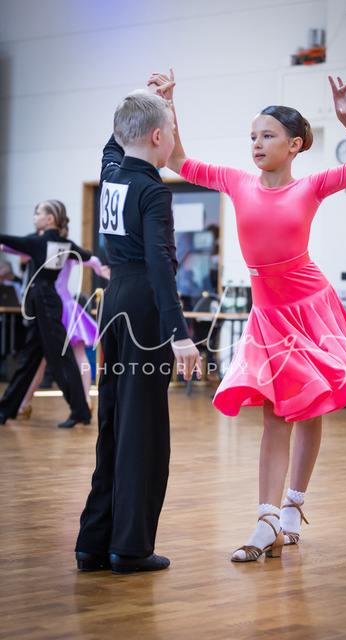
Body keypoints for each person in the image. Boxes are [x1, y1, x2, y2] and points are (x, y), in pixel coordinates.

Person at [148, 70, 346, 562]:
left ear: (295, 145)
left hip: (311, 307)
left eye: (268, 136)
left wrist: (345, 117)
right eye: (253, 137)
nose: (256, 144)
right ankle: (267, 521)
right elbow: (176, 160)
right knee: (275, 414)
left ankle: (290, 509)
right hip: (269, 316)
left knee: (308, 408)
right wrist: (170, 104)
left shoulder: (313, 186)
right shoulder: (236, 182)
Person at [75, 89, 202, 574]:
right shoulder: (154, 190)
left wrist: (149, 102)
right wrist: (179, 332)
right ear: (156, 136)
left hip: (113, 302)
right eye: (171, 129)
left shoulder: (111, 174)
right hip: (145, 307)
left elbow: (114, 141)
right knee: (143, 426)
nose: (174, 137)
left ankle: (94, 541)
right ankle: (130, 547)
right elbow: (160, 264)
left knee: (113, 417)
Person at [0, 200, 93, 429]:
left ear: (49, 219)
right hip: (46, 300)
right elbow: (85, 255)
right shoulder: (63, 243)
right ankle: (6, 409)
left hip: (44, 302)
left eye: (38, 213)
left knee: (62, 357)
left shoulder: (39, 242)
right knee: (29, 359)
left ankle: (81, 411)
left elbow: (10, 241)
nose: (34, 216)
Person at [17, 256, 110, 418]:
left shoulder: (50, 251)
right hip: (65, 306)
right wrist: (98, 269)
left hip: (52, 307)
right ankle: (86, 400)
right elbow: (92, 260)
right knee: (75, 355)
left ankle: (25, 404)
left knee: (41, 360)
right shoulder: (68, 252)